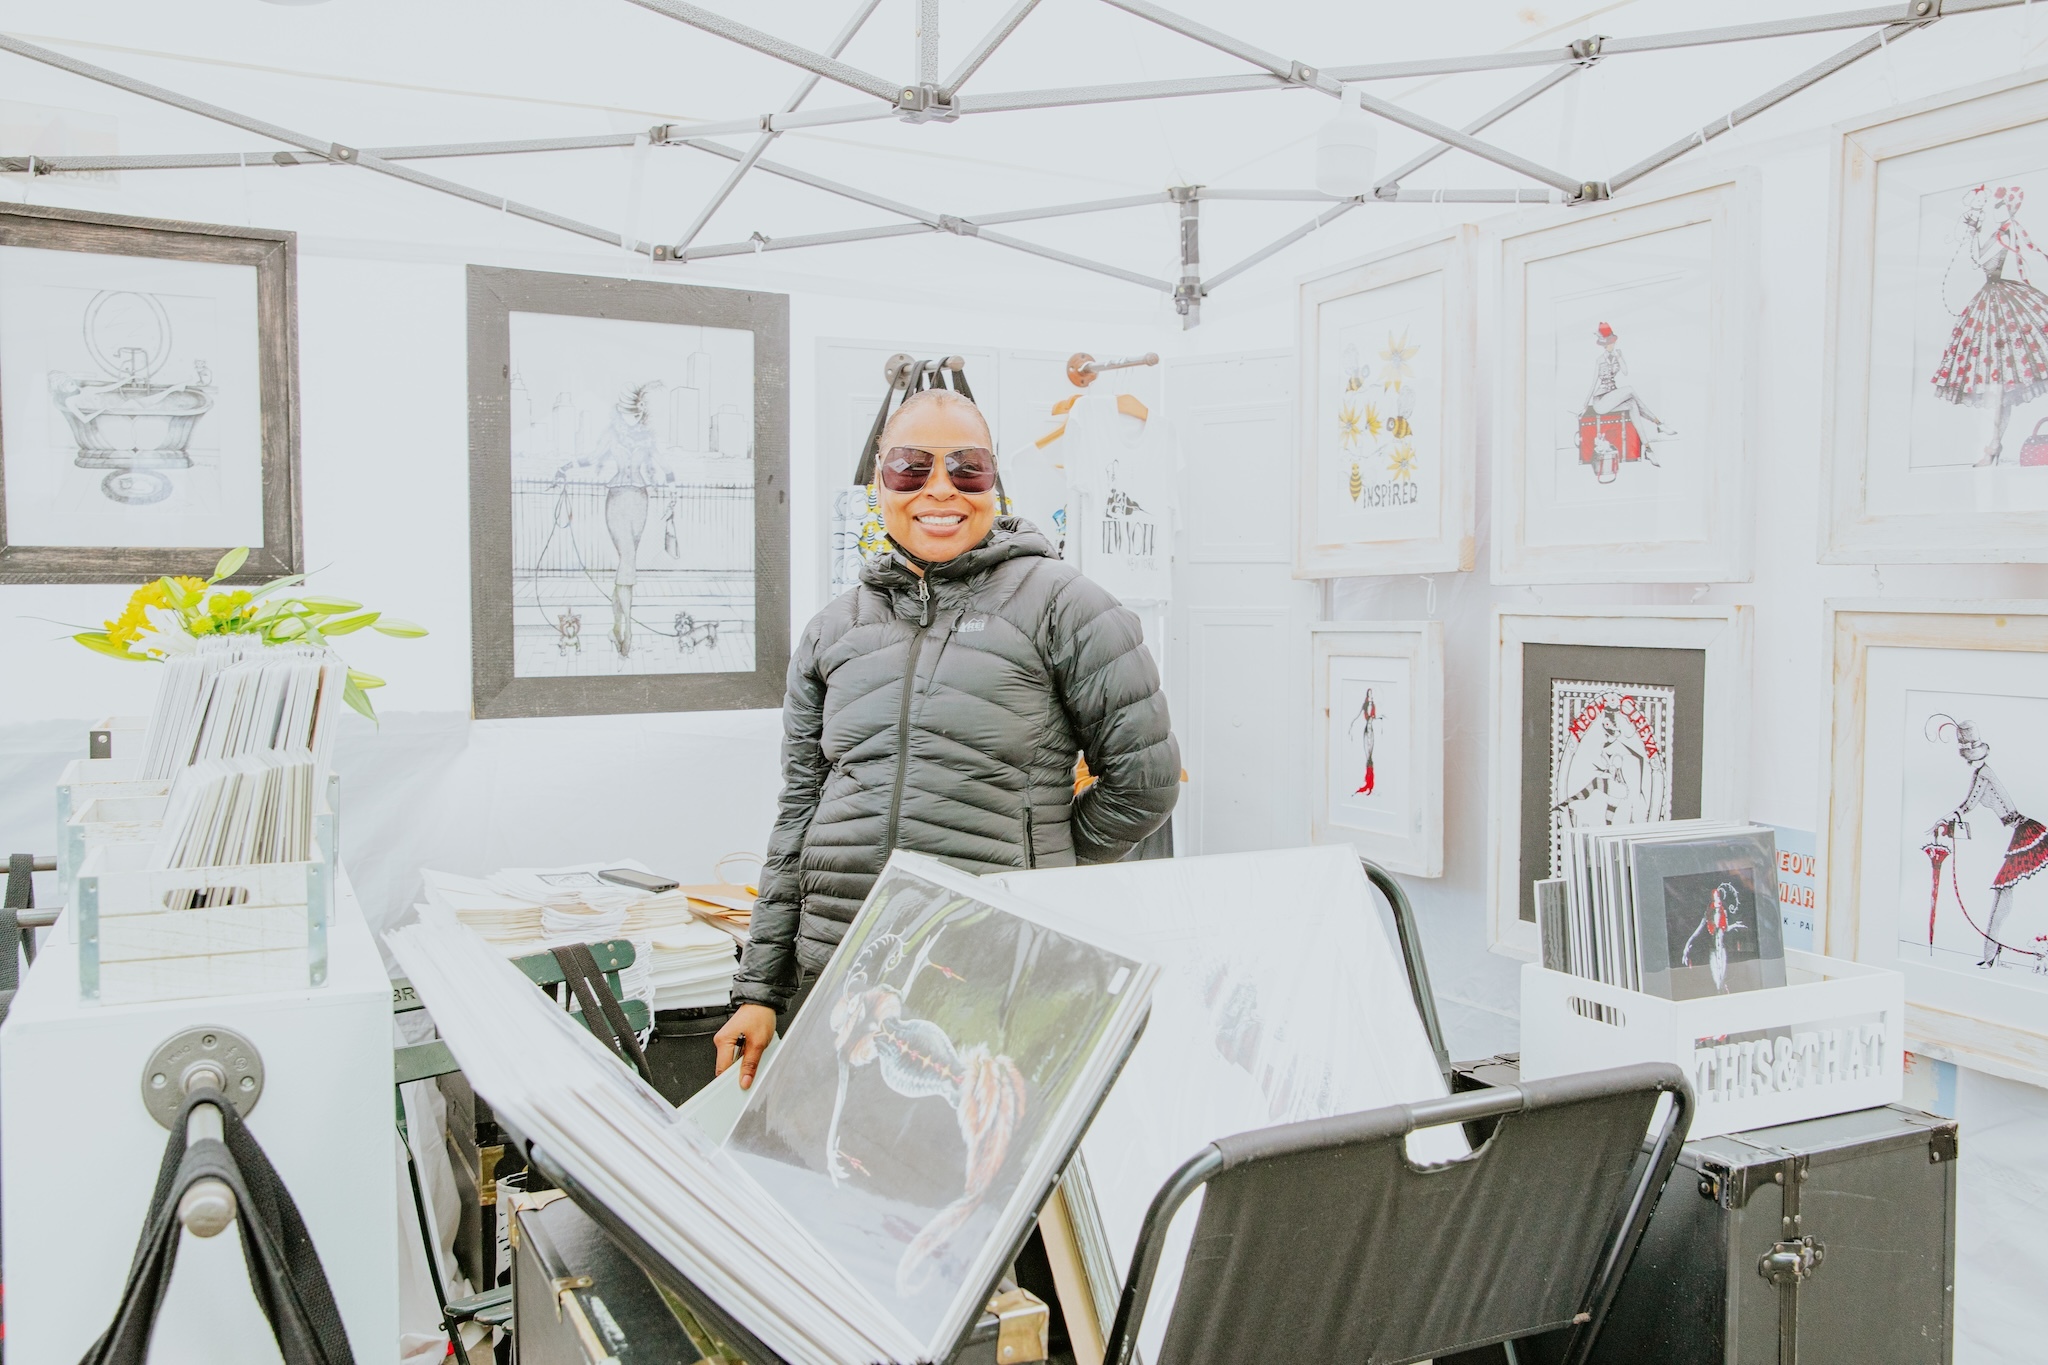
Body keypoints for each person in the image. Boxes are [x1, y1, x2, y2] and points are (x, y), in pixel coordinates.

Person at [714, 387, 1179, 1086]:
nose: (940, 490)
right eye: (911, 467)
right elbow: (799, 817)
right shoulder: (831, 632)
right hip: (838, 981)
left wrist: (1034, 859)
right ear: (880, 481)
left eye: (967, 468)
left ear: (995, 480)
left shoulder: (1066, 606)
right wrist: (758, 989)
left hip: (990, 982)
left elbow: (1145, 785)